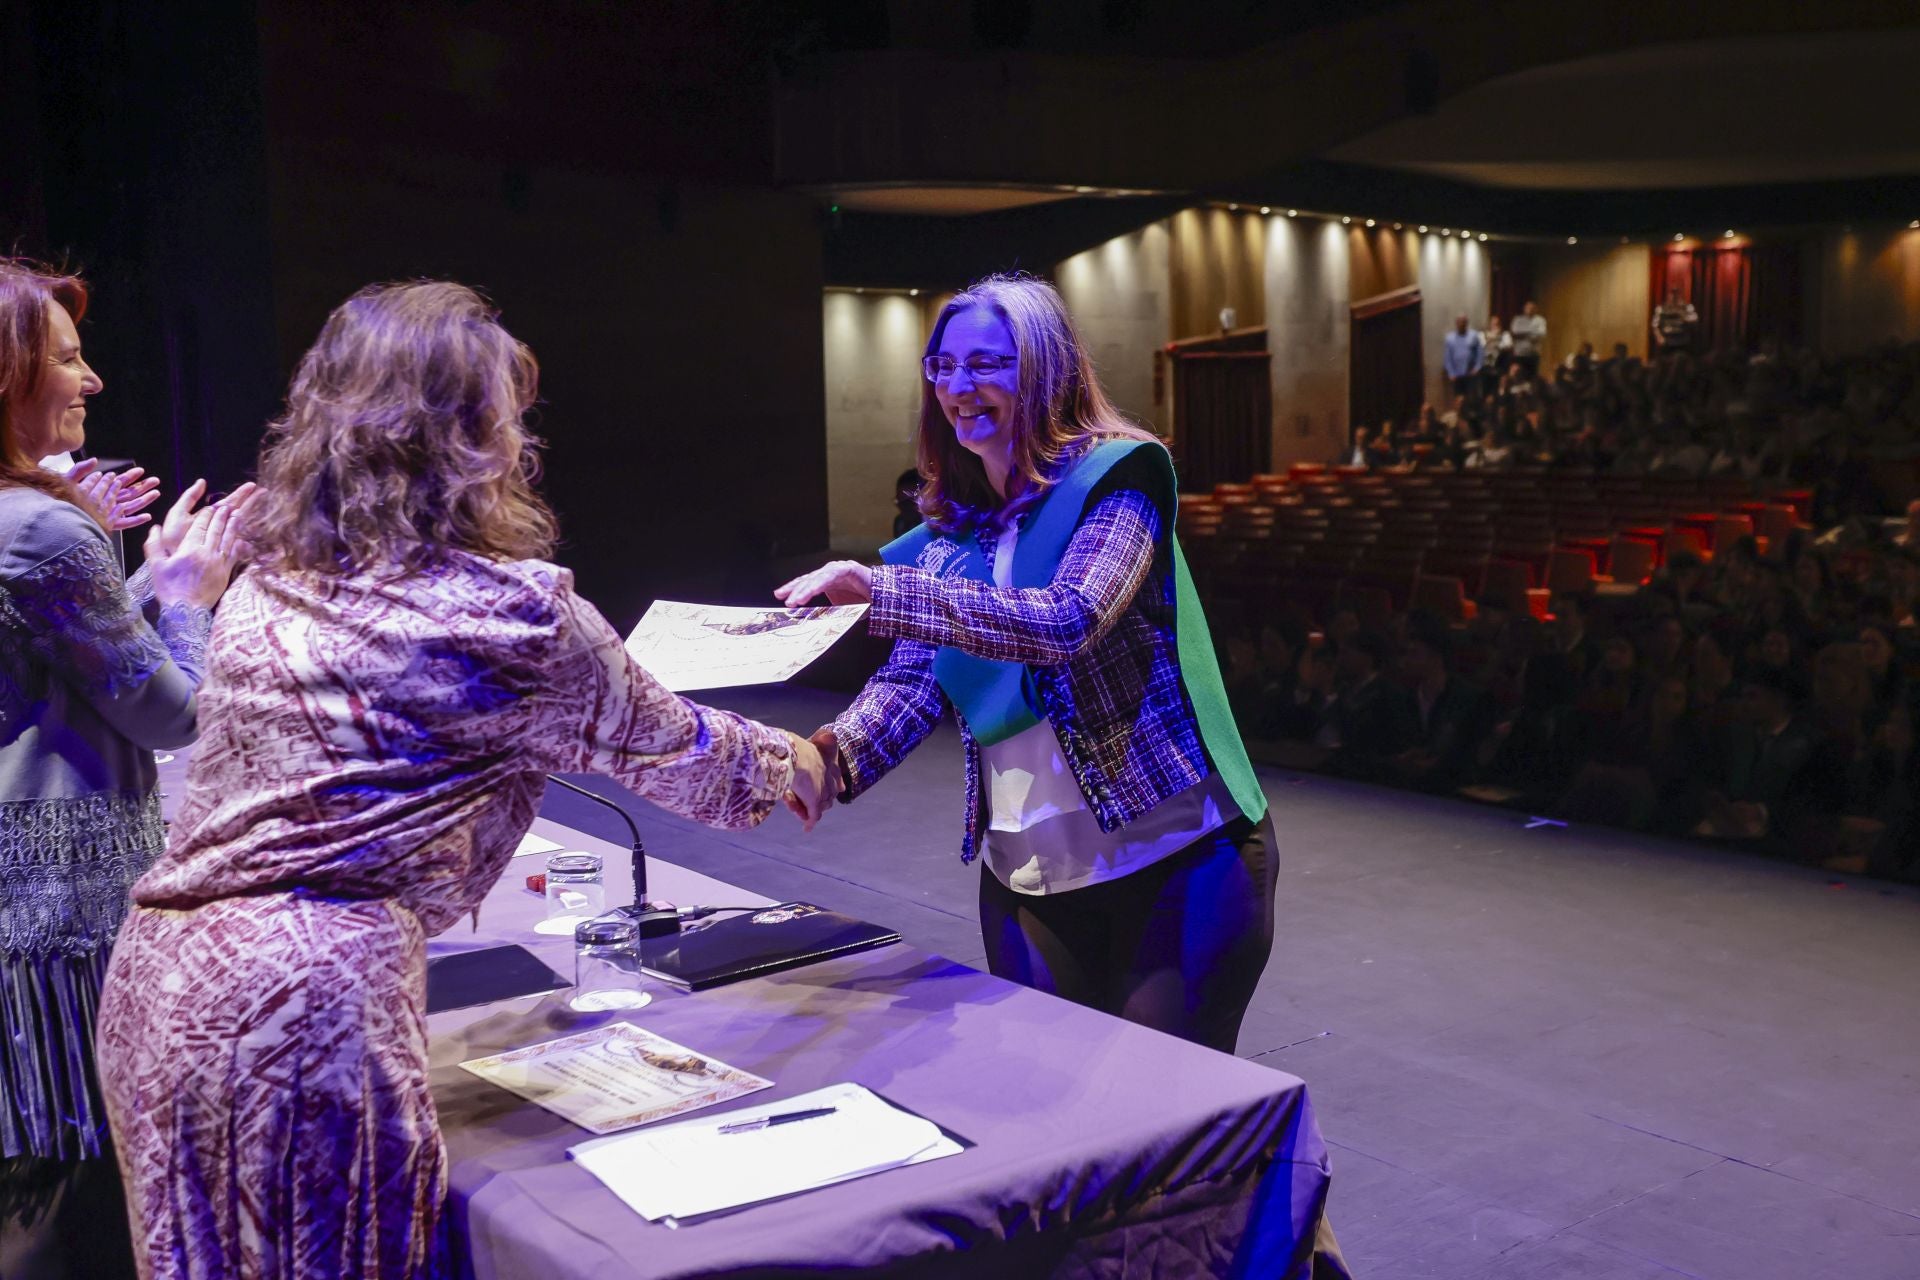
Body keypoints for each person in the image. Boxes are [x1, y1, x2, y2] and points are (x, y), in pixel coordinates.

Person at [97, 281, 833, 1279]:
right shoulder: (515, 618)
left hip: (158, 987)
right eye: (508, 409)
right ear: (473, 434)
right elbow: (685, 752)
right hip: (303, 1014)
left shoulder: (272, 583)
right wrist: (815, 757)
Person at [773, 274, 1278, 1057]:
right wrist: (823, 758)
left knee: (1161, 1126)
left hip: (1179, 862)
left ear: (1044, 370)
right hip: (1030, 877)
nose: (957, 387)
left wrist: (884, 590)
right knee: (1055, 1124)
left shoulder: (1119, 480)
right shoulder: (947, 535)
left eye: (985, 365)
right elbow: (910, 684)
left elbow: (1068, 620)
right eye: (942, 366)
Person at [0, 260, 247, 1276]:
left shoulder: (31, 521)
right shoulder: (47, 527)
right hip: (67, 914)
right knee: (80, 1214)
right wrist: (189, 596)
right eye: (66, 356)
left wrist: (141, 571)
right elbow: (175, 713)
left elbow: (75, 656)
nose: (92, 378)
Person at [1442, 312, 1484, 405]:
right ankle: (1460, 416)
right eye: (1460, 322)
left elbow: (1480, 353)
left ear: (1467, 323)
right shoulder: (1450, 338)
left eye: (1464, 322)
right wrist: (1451, 373)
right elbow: (1448, 358)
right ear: (1456, 323)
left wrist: (1477, 368)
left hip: (1470, 373)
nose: (1462, 324)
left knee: (1471, 397)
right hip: (1457, 375)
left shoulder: (1473, 335)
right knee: (1459, 399)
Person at [1652, 286, 1699, 353]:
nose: (1674, 297)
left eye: (1676, 295)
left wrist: (1682, 315)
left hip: (1682, 340)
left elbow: (1694, 320)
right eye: (1672, 294)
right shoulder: (1661, 308)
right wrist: (1659, 337)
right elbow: (1655, 325)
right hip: (1666, 340)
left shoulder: (1688, 307)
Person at [1509, 300, 1547, 379]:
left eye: (1532, 308)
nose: (1530, 310)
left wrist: (1523, 333)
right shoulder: (1518, 320)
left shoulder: (1540, 320)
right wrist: (1532, 331)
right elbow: (1515, 331)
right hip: (1520, 353)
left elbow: (1541, 334)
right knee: (1518, 376)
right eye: (1528, 308)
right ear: (1524, 309)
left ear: (1536, 309)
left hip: (1533, 354)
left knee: (1532, 377)